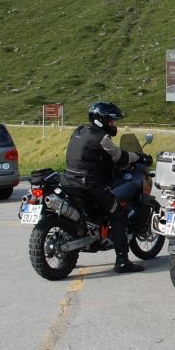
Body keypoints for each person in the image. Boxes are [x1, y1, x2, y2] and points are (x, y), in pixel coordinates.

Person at [62, 101, 150, 273]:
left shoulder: (79, 130)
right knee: (118, 213)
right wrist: (139, 157)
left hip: (69, 180)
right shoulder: (101, 138)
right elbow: (120, 157)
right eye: (111, 121)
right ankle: (122, 261)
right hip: (89, 185)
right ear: (101, 120)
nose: (113, 124)